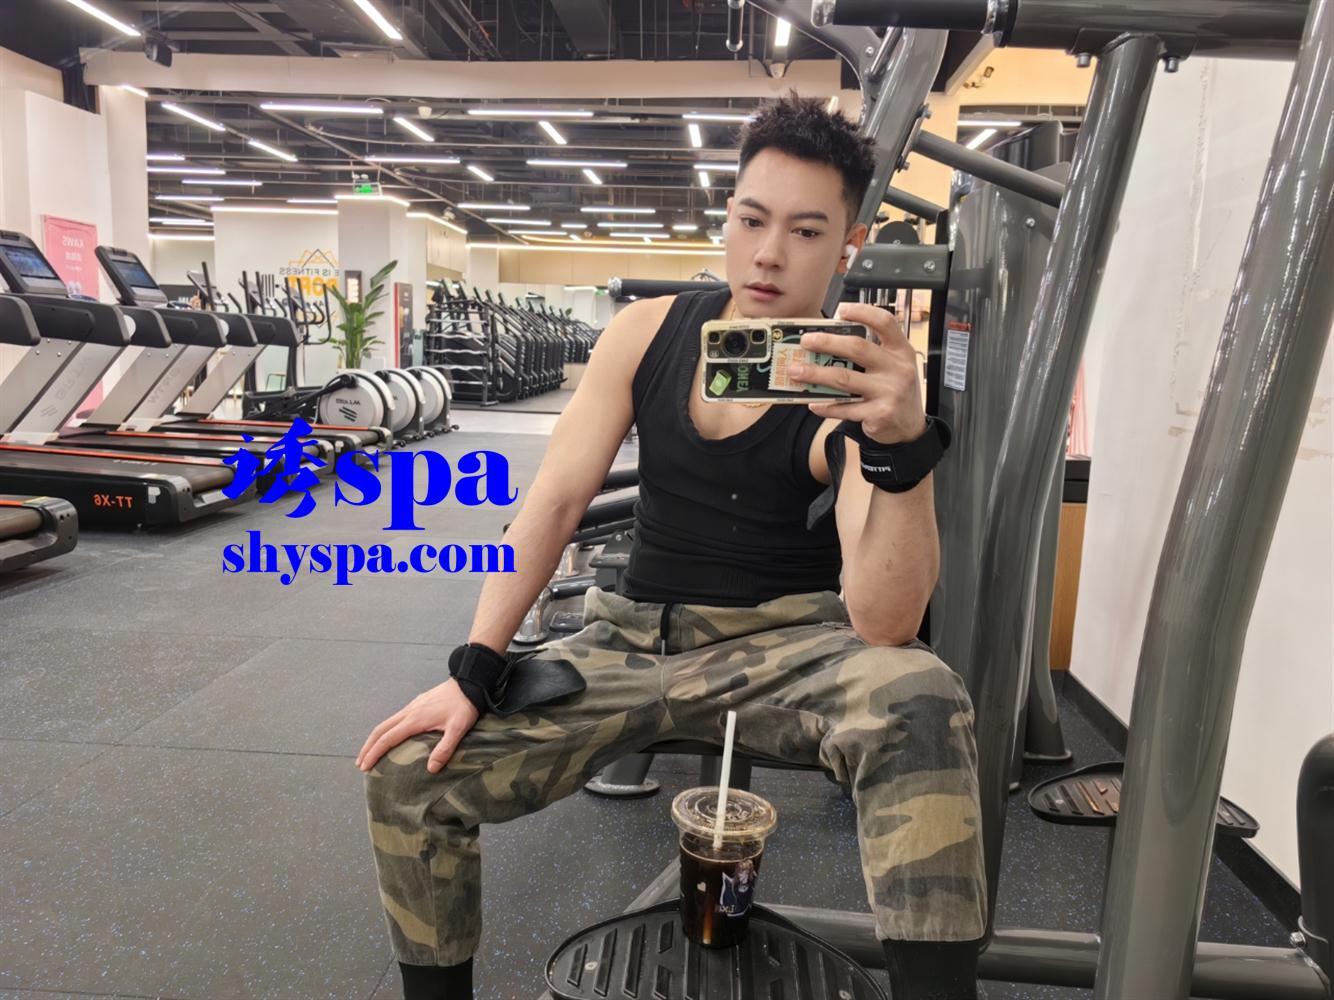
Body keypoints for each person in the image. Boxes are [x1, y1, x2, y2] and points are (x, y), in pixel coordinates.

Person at [356, 93, 987, 1000]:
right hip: (624, 642)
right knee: (408, 771)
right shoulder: (646, 332)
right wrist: (475, 668)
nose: (769, 253)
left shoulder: (848, 386)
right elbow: (554, 501)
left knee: (921, 694)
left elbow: (885, 621)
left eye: (807, 232)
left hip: (781, 650)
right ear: (727, 217)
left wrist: (901, 449)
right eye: (752, 220)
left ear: (847, 247)